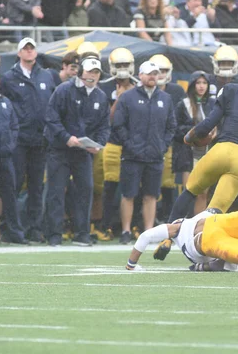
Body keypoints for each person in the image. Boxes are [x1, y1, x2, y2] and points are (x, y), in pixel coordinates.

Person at [166, 62, 238, 220]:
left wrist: (189, 138)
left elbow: (208, 124)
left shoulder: (232, 89)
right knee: (214, 212)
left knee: (190, 191)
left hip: (222, 150)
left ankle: (167, 238)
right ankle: (200, 238)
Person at [43, 57, 110, 246]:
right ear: (81, 72)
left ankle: (82, 233)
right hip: (59, 149)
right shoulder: (64, 90)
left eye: (96, 72)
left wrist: (99, 144)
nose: (92, 76)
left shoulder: (100, 96)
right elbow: (51, 117)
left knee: (85, 190)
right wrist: (66, 137)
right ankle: (54, 234)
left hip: (83, 152)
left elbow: (104, 126)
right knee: (56, 190)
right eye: (89, 72)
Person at [112, 61, 176, 244]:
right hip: (132, 156)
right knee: (128, 194)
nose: (152, 77)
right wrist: (130, 144)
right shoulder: (128, 97)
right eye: (149, 74)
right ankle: (125, 231)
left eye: (155, 74)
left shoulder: (165, 98)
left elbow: (171, 126)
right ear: (140, 75)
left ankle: (148, 232)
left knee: (151, 195)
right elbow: (118, 124)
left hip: (155, 155)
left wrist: (162, 146)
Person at [0, 37, 55, 243]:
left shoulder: (47, 76)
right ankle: (9, 228)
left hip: (40, 140)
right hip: (19, 141)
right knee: (12, 185)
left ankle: (34, 228)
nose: (30, 51)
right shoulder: (8, 78)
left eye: (32, 48)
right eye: (26, 48)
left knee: (36, 187)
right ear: (19, 53)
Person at [97, 47, 137, 241]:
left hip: (133, 144)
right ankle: (107, 225)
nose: (122, 69)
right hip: (112, 143)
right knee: (111, 188)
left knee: (133, 188)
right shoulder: (105, 87)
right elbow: (107, 119)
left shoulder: (138, 86)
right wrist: (120, 99)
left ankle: (130, 226)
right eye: (118, 65)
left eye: (125, 65)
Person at [150, 54, 187, 223]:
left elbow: (180, 119)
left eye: (164, 70)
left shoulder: (177, 91)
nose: (161, 74)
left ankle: (167, 217)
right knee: (148, 185)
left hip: (170, 143)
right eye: (158, 70)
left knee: (168, 183)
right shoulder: (144, 90)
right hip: (148, 143)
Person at [173, 71, 215, 214]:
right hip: (188, 154)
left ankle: (198, 227)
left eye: (204, 83)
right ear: (192, 85)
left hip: (207, 154)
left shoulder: (213, 104)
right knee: (188, 192)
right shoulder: (183, 104)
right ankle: (182, 225)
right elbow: (175, 129)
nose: (201, 86)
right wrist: (194, 131)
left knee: (203, 193)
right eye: (198, 83)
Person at [0, 85, 26, 244]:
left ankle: (13, 232)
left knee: (10, 195)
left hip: (5, 156)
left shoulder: (5, 101)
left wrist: (10, 145)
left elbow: (14, 126)